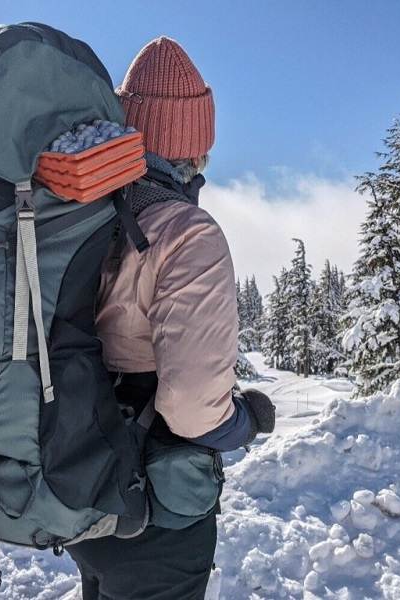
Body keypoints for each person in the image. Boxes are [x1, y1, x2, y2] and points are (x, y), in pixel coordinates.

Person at [66, 37, 276, 600]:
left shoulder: (85, 218)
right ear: (194, 141)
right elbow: (190, 412)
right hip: (157, 507)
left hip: (86, 486)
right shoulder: (185, 233)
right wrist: (245, 423)